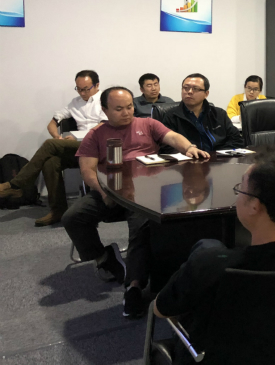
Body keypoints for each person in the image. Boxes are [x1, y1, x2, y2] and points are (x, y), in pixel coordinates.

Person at [153, 150, 275, 364]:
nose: (237, 196)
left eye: (240, 189)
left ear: (255, 206)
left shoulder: (210, 263)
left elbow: (160, 309)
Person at [61, 87, 210, 318]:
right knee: (73, 217)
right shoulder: (96, 134)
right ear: (105, 110)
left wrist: (189, 147)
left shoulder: (147, 124)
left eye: (130, 106)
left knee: (140, 230)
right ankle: (103, 257)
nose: (127, 112)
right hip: (109, 191)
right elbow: (87, 170)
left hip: (143, 193)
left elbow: (173, 137)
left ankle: (134, 286)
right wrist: (103, 192)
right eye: (119, 109)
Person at [0, 70, 107, 227]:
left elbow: (104, 126)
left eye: (86, 89)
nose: (82, 93)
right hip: (80, 148)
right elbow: (53, 122)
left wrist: (79, 137)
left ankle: (15, 185)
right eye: (78, 89)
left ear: (97, 85)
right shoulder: (75, 102)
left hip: (98, 146)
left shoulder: (106, 99)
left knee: (50, 145)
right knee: (51, 161)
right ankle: (58, 211)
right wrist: (58, 137)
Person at [160, 74, 243, 151]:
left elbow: (236, 139)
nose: (189, 92)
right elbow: (167, 147)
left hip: (220, 158)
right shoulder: (172, 116)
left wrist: (217, 155)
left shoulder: (219, 114)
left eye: (195, 89)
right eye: (186, 88)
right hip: (189, 159)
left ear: (206, 94)